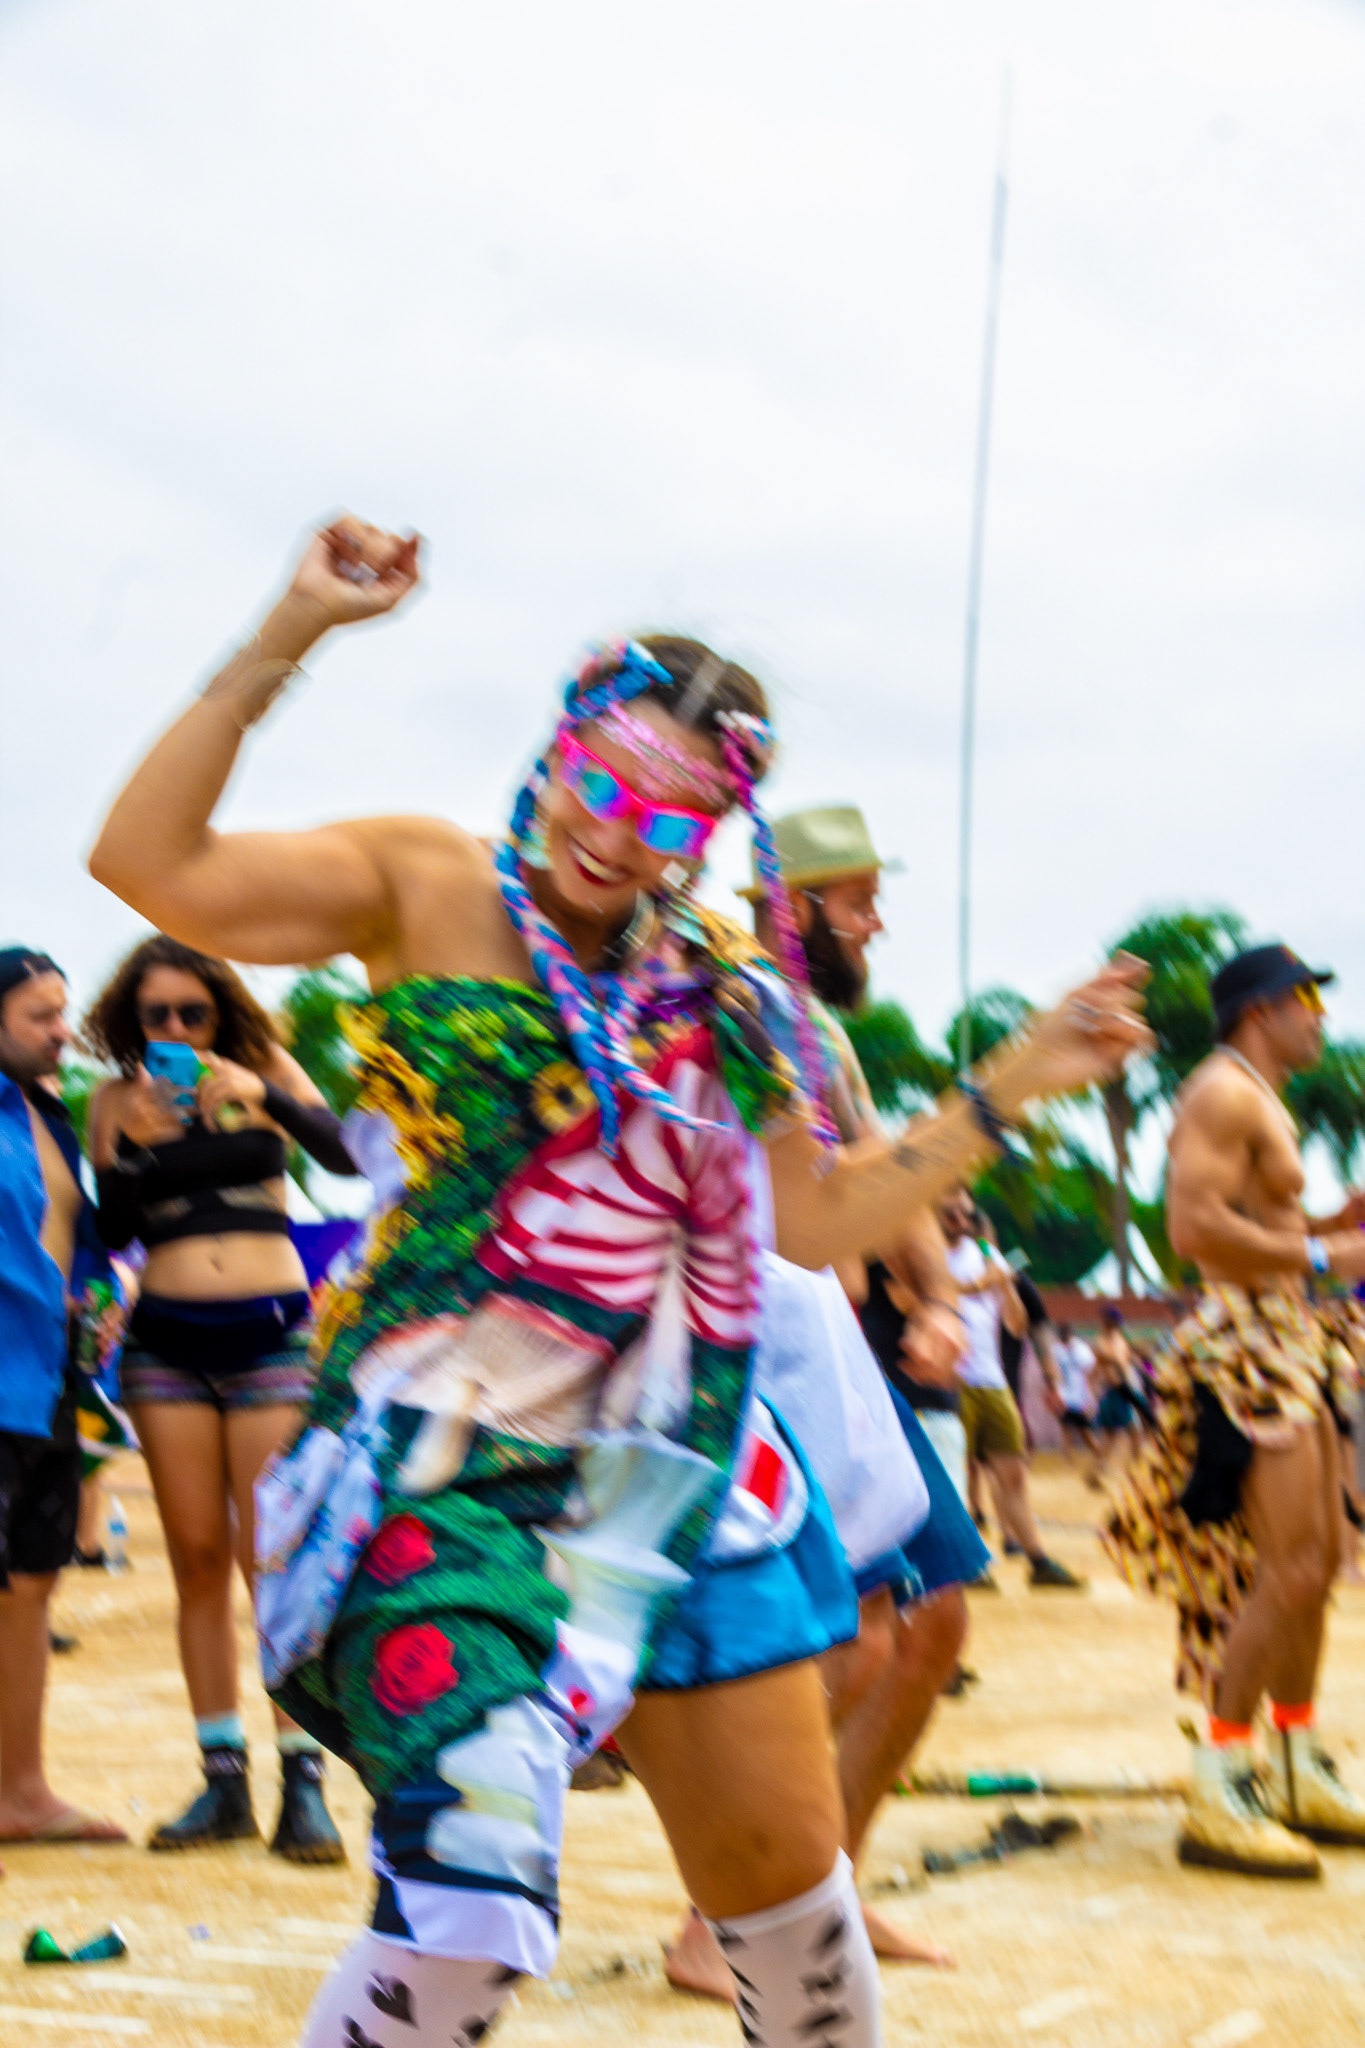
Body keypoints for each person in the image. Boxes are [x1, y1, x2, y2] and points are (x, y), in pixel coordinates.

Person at [88, 513, 1146, 2048]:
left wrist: (1011, 1086)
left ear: (713, 833)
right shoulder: (423, 884)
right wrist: (291, 632)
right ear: (559, 745)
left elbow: (817, 1217)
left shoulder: (723, 993)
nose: (613, 834)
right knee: (463, 1913)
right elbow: (146, 862)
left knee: (791, 1909)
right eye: (598, 781)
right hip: (444, 1460)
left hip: (667, 1466)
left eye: (667, 819)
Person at [660, 803, 985, 1997]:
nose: (876, 922)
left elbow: (872, 1173)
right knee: (838, 1641)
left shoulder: (816, 1032)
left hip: (848, 1354)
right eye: (856, 902)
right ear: (791, 905)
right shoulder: (716, 1002)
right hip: (758, 1361)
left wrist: (939, 1292)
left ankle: (826, 1885)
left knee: (935, 1617)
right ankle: (729, 1918)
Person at [84, 934, 359, 1861]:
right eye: (154, 1015)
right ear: (134, 1020)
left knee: (271, 1556)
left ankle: (306, 1781)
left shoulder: (265, 1069)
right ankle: (223, 1780)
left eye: (189, 1014)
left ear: (219, 1011)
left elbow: (350, 1157)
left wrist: (264, 1095)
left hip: (269, 1334)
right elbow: (112, 1226)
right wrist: (133, 1156)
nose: (172, 1030)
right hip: (167, 1344)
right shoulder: (118, 1100)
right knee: (197, 1560)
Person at [1106, 943, 1365, 1877]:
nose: (1319, 1018)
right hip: (1249, 1347)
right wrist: (1330, 1258)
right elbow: (1189, 1230)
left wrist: (1334, 1231)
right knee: (1289, 1568)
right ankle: (1219, 1780)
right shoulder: (1221, 1092)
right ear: (1260, 1007)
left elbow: (1265, 1230)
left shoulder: (1257, 1092)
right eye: (1307, 999)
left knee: (1322, 1561)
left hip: (1285, 1338)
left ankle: (1292, 1761)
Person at [0, 947, 128, 1859]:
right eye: (41, 1016)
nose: (61, 1031)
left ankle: (21, 1791)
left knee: (32, 1588)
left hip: (51, 1381)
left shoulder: (52, 1114)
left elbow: (72, 1236)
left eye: (62, 1011)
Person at [940, 1190, 1085, 1589]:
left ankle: (1037, 1560)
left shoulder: (986, 1257)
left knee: (1013, 1474)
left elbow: (1017, 1325)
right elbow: (937, 1289)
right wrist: (978, 1283)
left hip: (991, 1378)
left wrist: (1003, 1286)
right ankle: (967, 1566)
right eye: (951, 1211)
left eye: (964, 1212)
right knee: (957, 1476)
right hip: (951, 1377)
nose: (959, 1217)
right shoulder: (930, 1251)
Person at [1053, 1320, 1100, 1472]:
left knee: (1084, 1431)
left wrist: (1090, 1396)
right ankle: (1069, 1464)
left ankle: (1100, 1457)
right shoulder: (1056, 1350)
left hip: (1080, 1398)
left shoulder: (1081, 1349)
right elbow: (1053, 1372)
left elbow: (1091, 1372)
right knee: (1065, 1430)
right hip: (1064, 1396)